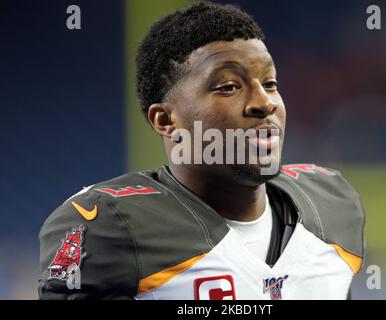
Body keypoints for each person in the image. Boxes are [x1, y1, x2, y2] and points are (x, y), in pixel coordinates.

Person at [39, 1, 365, 300]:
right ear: (166, 120)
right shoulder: (108, 226)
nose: (265, 103)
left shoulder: (332, 203)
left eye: (270, 83)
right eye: (229, 87)